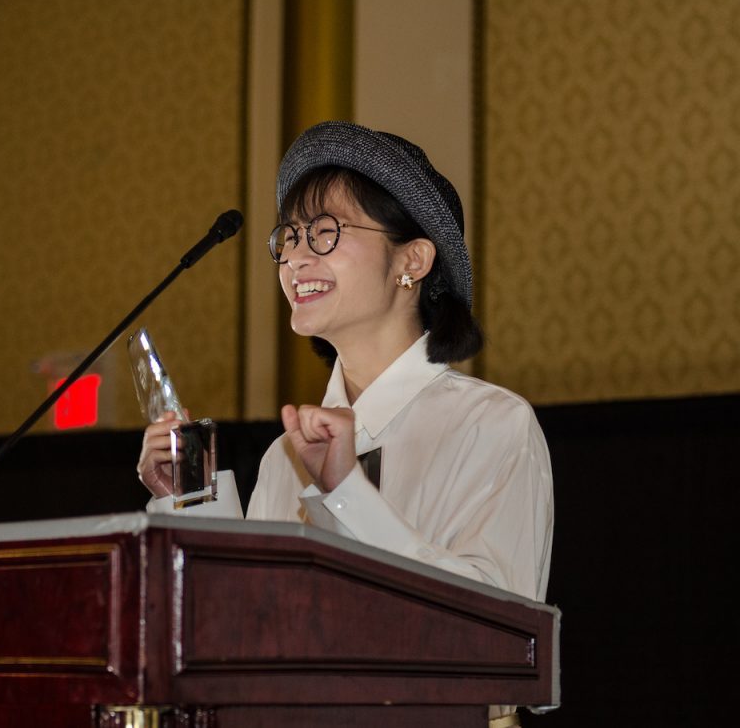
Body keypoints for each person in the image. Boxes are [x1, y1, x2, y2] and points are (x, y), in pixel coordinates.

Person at [137, 121, 553, 726]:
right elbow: (248, 634)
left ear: (412, 259)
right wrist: (190, 502)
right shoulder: (286, 453)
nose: (296, 257)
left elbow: (499, 640)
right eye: (289, 237)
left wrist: (346, 493)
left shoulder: (491, 424)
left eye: (326, 233)